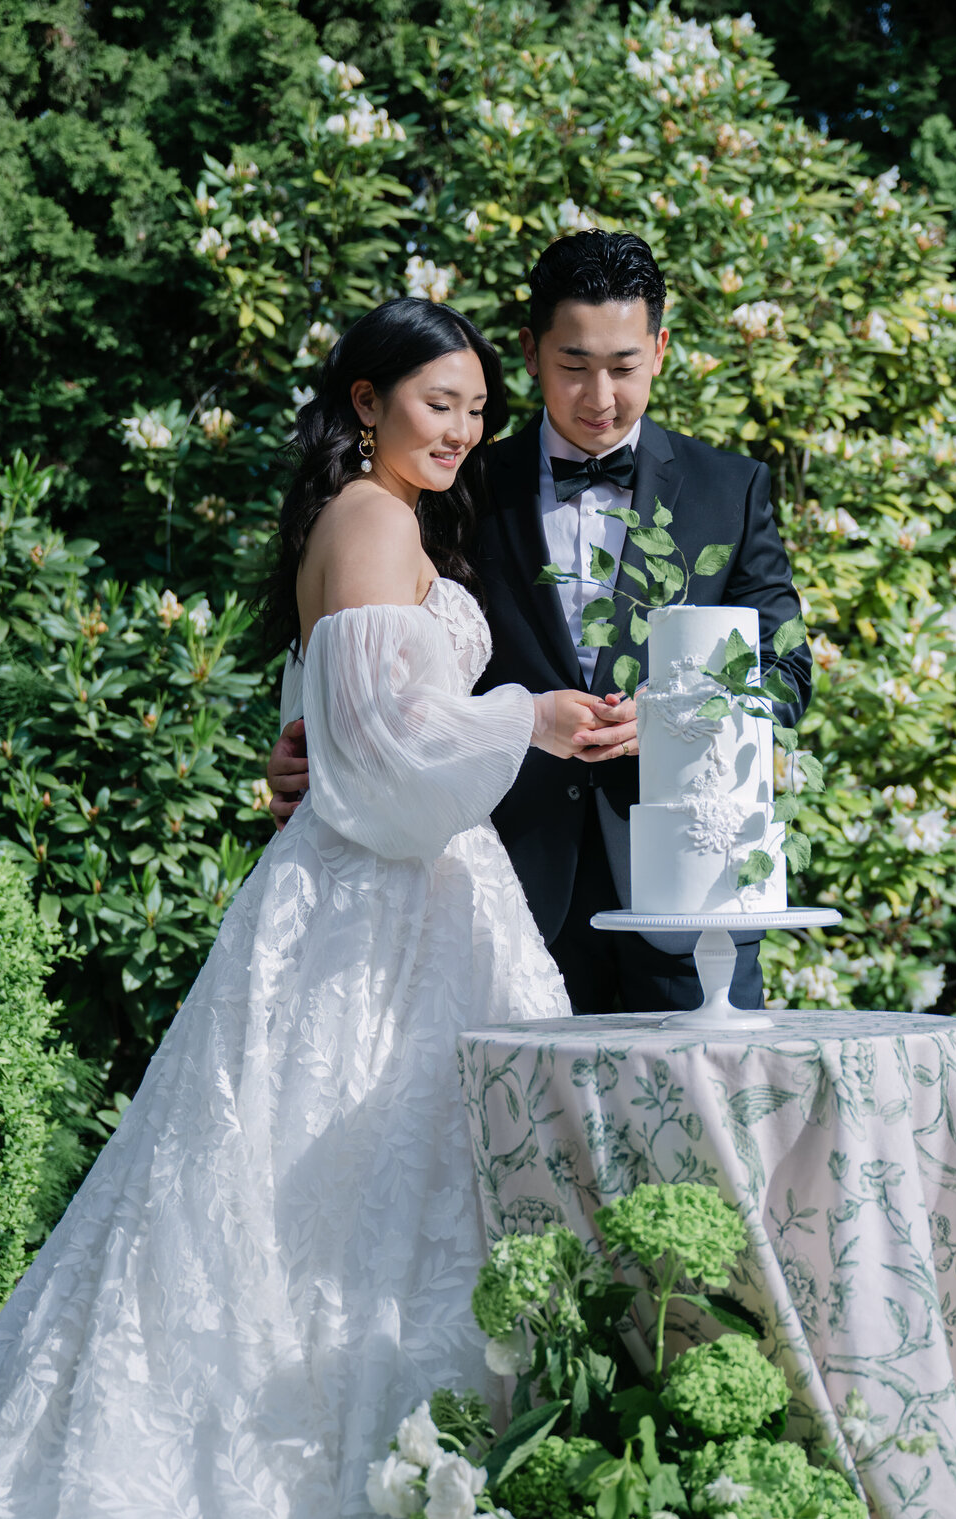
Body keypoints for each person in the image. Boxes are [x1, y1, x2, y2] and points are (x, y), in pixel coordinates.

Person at [0, 298, 578, 1519]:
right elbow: (378, 763)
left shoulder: (397, 522)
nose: (463, 429)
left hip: (407, 907)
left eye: (476, 407)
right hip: (371, 932)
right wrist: (522, 721)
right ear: (367, 402)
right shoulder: (369, 518)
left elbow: (335, 742)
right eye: (438, 403)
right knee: (309, 1229)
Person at [269, 232, 811, 1013]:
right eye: (574, 367)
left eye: (624, 368)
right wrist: (305, 744)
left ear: (660, 348)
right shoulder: (457, 480)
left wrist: (668, 715)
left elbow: (789, 673)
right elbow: (372, 647)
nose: (600, 399)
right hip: (496, 898)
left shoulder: (733, 489)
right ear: (528, 350)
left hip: (690, 899)